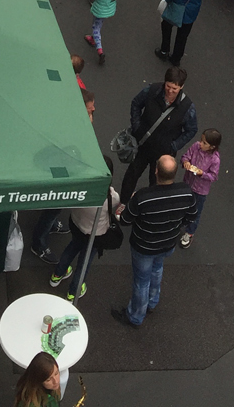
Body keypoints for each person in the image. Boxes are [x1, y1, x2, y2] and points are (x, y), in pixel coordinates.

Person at [112, 154, 198, 328]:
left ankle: (135, 316)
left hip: (144, 246)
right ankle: (152, 302)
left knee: (141, 281)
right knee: (157, 269)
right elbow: (191, 216)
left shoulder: (143, 196)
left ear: (156, 171)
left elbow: (126, 220)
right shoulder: (186, 192)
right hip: (168, 243)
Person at [120, 67, 198, 205]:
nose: (170, 91)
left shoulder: (187, 107)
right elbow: (136, 103)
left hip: (163, 152)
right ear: (164, 82)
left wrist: (173, 146)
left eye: (174, 88)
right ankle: (123, 202)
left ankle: (149, 207)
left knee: (156, 183)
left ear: (181, 87)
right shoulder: (151, 90)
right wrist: (137, 127)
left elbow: (191, 130)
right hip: (143, 144)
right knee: (132, 174)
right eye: (168, 86)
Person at [49, 155, 120, 301]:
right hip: (95, 234)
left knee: (72, 248)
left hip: (76, 225)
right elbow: (115, 203)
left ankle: (57, 274)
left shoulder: (80, 189)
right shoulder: (110, 198)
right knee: (84, 261)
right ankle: (73, 292)